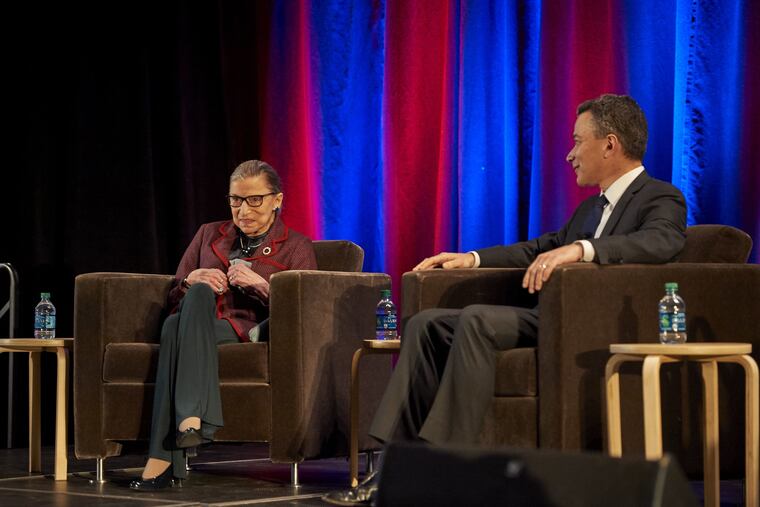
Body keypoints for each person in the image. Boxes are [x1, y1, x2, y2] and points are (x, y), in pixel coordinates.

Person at [322, 94, 686, 505]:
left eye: (577, 141)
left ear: (610, 144)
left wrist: (581, 250)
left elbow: (663, 241)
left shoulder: (660, 197)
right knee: (426, 323)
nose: (569, 155)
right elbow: (538, 248)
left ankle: (450, 468)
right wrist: (471, 259)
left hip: (590, 327)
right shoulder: (589, 211)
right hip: (549, 317)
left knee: (476, 319)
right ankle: (391, 467)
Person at [130, 160, 317, 491]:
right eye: (236, 200)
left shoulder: (297, 246)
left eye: (254, 200)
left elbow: (308, 308)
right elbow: (174, 291)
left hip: (244, 328)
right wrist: (191, 278)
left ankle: (163, 456)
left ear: (277, 199)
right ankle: (190, 423)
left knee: (175, 331)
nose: (243, 210)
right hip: (195, 319)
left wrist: (262, 286)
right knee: (186, 310)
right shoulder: (207, 233)